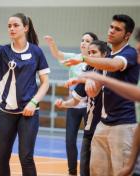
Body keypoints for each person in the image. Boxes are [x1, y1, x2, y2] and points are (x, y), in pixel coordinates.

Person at [0, 12, 50, 176]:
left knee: (26, 157)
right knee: (1, 157)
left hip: (28, 113)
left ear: (26, 27)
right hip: (6, 114)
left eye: (15, 25)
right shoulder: (3, 51)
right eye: (9, 26)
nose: (12, 28)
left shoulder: (36, 52)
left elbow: (45, 83)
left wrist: (33, 102)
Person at [64, 14, 139, 176]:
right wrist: (88, 83)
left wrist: (84, 58)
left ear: (127, 35)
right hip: (103, 125)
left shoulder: (130, 53)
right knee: (96, 172)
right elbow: (96, 87)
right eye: (111, 27)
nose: (111, 31)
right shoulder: (107, 57)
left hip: (123, 125)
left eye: (117, 29)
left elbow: (114, 65)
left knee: (120, 172)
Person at [44, 32, 98, 176]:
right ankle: (72, 172)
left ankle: (89, 171)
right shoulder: (74, 58)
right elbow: (58, 55)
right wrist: (52, 45)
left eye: (87, 41)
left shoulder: (96, 63)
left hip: (89, 107)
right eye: (82, 40)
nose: (83, 43)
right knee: (69, 140)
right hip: (73, 105)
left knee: (90, 142)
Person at [56, 40, 110, 176]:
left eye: (94, 52)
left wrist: (82, 80)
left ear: (104, 54)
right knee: (84, 170)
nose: (91, 55)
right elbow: (75, 100)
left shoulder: (110, 72)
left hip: (107, 130)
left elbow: (102, 79)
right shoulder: (88, 71)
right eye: (89, 53)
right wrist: (63, 104)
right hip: (90, 130)